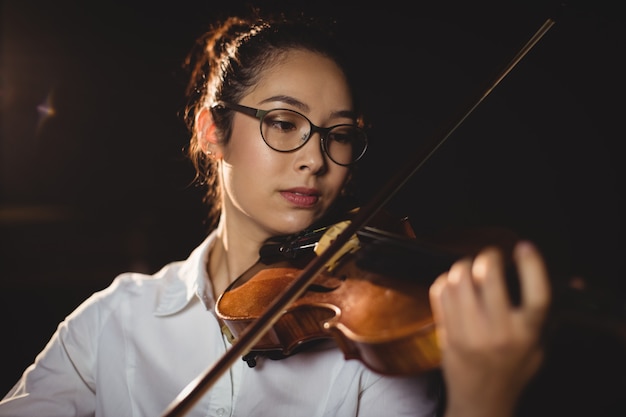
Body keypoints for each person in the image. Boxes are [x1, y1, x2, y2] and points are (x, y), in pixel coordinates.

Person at [0, 9, 551, 417]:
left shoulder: (369, 346)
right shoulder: (112, 321)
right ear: (213, 133)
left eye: (338, 134)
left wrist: (483, 400)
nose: (315, 159)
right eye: (284, 123)